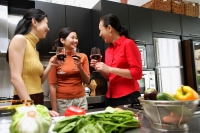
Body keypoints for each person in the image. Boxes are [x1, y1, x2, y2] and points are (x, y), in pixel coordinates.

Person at [7, 8, 59, 117]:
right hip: (25, 101)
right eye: (46, 24)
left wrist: (50, 65)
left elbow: (37, 82)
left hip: (37, 98)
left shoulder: (34, 49)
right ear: (34, 22)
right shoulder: (19, 39)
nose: (48, 29)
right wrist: (32, 109)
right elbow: (15, 78)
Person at [90, 13, 142, 107]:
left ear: (109, 28)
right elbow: (109, 77)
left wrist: (109, 69)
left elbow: (137, 73)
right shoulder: (108, 51)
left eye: (100, 30)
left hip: (128, 97)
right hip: (110, 98)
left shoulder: (128, 44)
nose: (99, 34)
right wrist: (101, 68)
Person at [48, 27, 90, 113]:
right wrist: (54, 110)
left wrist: (80, 67)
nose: (75, 40)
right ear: (62, 40)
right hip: (63, 102)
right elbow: (52, 86)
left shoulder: (83, 57)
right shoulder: (55, 59)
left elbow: (87, 81)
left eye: (76, 38)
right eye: (72, 38)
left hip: (81, 100)